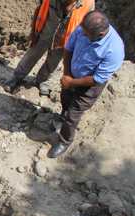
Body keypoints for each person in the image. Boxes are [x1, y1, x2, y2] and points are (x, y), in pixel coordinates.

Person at [48, 11, 124, 158]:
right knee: (65, 98)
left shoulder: (114, 49)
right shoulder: (84, 28)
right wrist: (67, 75)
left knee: (73, 114)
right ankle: (61, 118)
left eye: (87, 34)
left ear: (100, 34)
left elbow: (98, 78)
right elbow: (69, 48)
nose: (83, 35)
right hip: (72, 75)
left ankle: (65, 140)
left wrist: (73, 82)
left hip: (89, 86)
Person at [5, 0, 95, 95]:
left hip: (64, 41)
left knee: (52, 63)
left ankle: (42, 80)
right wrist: (32, 34)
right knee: (30, 57)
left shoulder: (88, 3)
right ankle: (17, 77)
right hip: (44, 34)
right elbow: (39, 10)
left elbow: (87, 26)